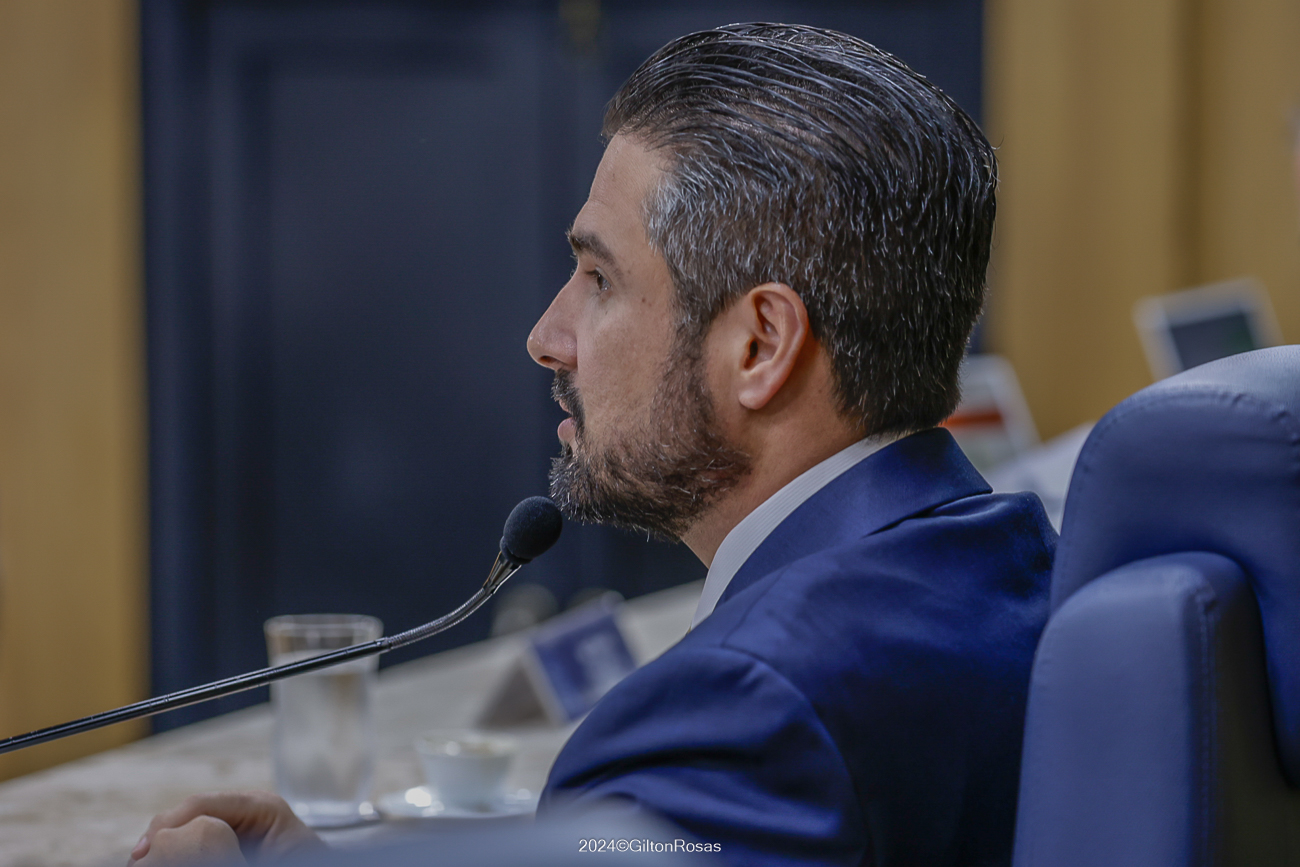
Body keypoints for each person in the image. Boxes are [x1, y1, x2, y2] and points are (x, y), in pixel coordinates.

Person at [130, 23, 1055, 867]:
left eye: (598, 277)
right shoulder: (1011, 558)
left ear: (760, 346)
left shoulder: (743, 707)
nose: (546, 335)